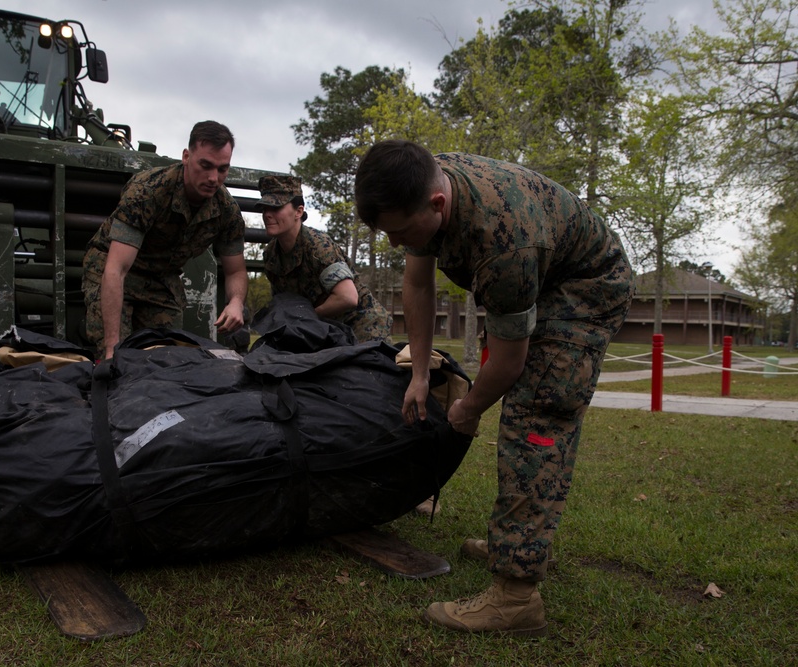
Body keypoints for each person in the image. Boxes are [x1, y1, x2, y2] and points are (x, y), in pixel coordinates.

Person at [354, 139, 633, 636]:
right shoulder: (424, 185)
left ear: (437, 204)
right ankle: (514, 543)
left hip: (586, 289)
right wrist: (419, 373)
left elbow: (509, 361)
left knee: (537, 417)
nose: (395, 244)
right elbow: (418, 285)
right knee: (523, 403)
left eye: (398, 232)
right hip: (541, 278)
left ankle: (515, 594)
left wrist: (468, 407)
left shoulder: (505, 242)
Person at [82, 120, 247, 359]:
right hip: (113, 271)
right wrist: (110, 349)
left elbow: (235, 271)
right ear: (186, 157)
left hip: (161, 278)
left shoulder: (227, 210)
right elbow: (116, 269)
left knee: (166, 358)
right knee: (119, 356)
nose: (214, 178)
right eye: (206, 165)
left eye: (222, 169)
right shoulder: (148, 191)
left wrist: (236, 302)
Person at [255, 174, 391, 343]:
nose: (267, 215)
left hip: (360, 324)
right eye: (264, 209)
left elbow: (347, 297)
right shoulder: (271, 255)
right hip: (323, 329)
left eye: (275, 208)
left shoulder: (318, 246)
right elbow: (283, 303)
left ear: (298, 211)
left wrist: (304, 318)